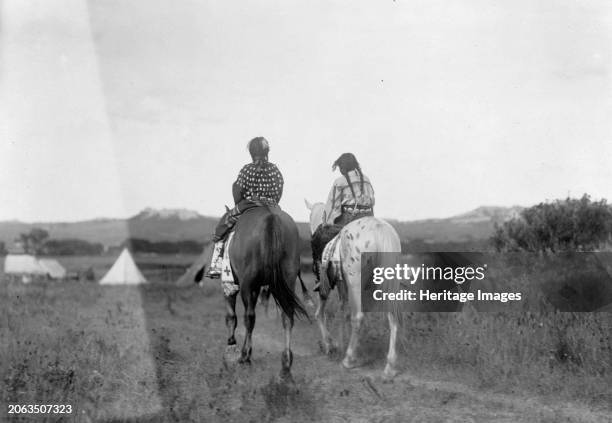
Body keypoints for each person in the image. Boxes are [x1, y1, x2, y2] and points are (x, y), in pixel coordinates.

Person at [206, 137, 284, 278]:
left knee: (223, 225)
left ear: (252, 153)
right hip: (272, 207)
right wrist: (271, 201)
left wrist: (240, 203)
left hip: (249, 204)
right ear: (267, 152)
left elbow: (238, 190)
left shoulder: (247, 170)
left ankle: (216, 264)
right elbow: (280, 189)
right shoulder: (275, 169)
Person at [311, 153, 375, 285]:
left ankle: (321, 278)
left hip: (349, 220)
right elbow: (372, 200)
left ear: (343, 167)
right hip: (368, 220)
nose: (340, 170)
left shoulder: (340, 182)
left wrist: (327, 222)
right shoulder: (367, 179)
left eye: (340, 167)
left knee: (317, 238)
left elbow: (332, 205)